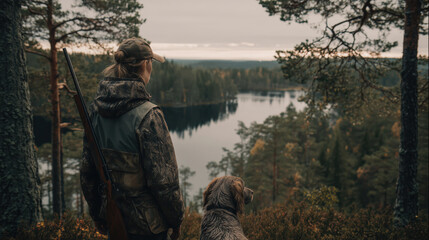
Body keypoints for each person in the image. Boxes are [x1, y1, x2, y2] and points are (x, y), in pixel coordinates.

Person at [80, 38, 185, 240]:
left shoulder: (95, 112)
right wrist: (176, 219)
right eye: (151, 63)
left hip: (113, 218)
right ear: (146, 64)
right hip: (149, 227)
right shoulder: (149, 115)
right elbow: (164, 182)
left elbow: (88, 172)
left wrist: (98, 214)